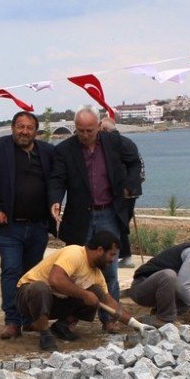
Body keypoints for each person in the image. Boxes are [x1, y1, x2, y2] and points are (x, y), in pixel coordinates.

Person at [50, 108, 142, 332]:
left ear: (98, 127)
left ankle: (109, 318)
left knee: (109, 268)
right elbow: (57, 178)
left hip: (109, 212)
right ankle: (71, 317)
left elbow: (134, 161)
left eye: (89, 130)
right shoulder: (64, 150)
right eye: (80, 130)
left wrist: (131, 185)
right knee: (75, 268)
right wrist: (55, 200)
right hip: (80, 216)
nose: (84, 135)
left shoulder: (115, 142)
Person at [0, 110, 55, 340]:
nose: (24, 131)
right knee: (11, 270)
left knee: (32, 275)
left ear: (35, 130)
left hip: (38, 226)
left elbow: (57, 181)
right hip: (9, 225)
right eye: (20, 126)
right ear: (13, 128)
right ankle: (12, 321)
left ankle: (29, 318)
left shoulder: (48, 152)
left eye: (29, 127)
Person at [16, 230, 135, 352]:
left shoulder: (96, 274)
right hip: (28, 298)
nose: (113, 260)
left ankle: (61, 326)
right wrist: (84, 294)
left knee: (96, 292)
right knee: (40, 288)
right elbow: (55, 279)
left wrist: (137, 325)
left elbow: (111, 303)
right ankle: (45, 333)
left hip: (55, 301)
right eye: (112, 254)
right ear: (100, 250)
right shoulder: (75, 253)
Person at [99, 117, 146, 268]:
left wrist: (127, 188)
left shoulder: (114, 144)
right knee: (121, 223)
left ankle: (125, 256)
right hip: (132, 191)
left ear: (105, 129)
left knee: (118, 223)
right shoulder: (129, 142)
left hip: (122, 192)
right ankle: (125, 256)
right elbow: (141, 169)